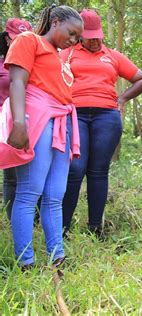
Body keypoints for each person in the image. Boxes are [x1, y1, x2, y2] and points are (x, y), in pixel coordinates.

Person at [0, 5, 83, 269]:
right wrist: (20, 122)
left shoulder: (59, 57)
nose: (73, 41)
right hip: (39, 121)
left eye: (77, 38)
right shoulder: (29, 40)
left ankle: (57, 256)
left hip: (62, 124)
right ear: (55, 21)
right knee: (29, 191)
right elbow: (17, 82)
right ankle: (26, 261)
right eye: (71, 33)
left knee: (55, 194)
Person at [60, 9, 142, 237]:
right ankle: (62, 228)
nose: (95, 40)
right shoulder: (67, 54)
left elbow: (141, 78)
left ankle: (95, 227)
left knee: (98, 171)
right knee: (75, 169)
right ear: (79, 35)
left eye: (98, 35)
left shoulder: (113, 55)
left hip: (106, 116)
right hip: (75, 115)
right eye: (90, 36)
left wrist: (123, 98)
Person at [0, 18, 32, 220]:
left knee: (29, 172)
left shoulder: (32, 59)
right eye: (15, 38)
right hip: (4, 121)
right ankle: (12, 218)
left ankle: (31, 216)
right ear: (6, 37)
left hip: (27, 118)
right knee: (11, 174)